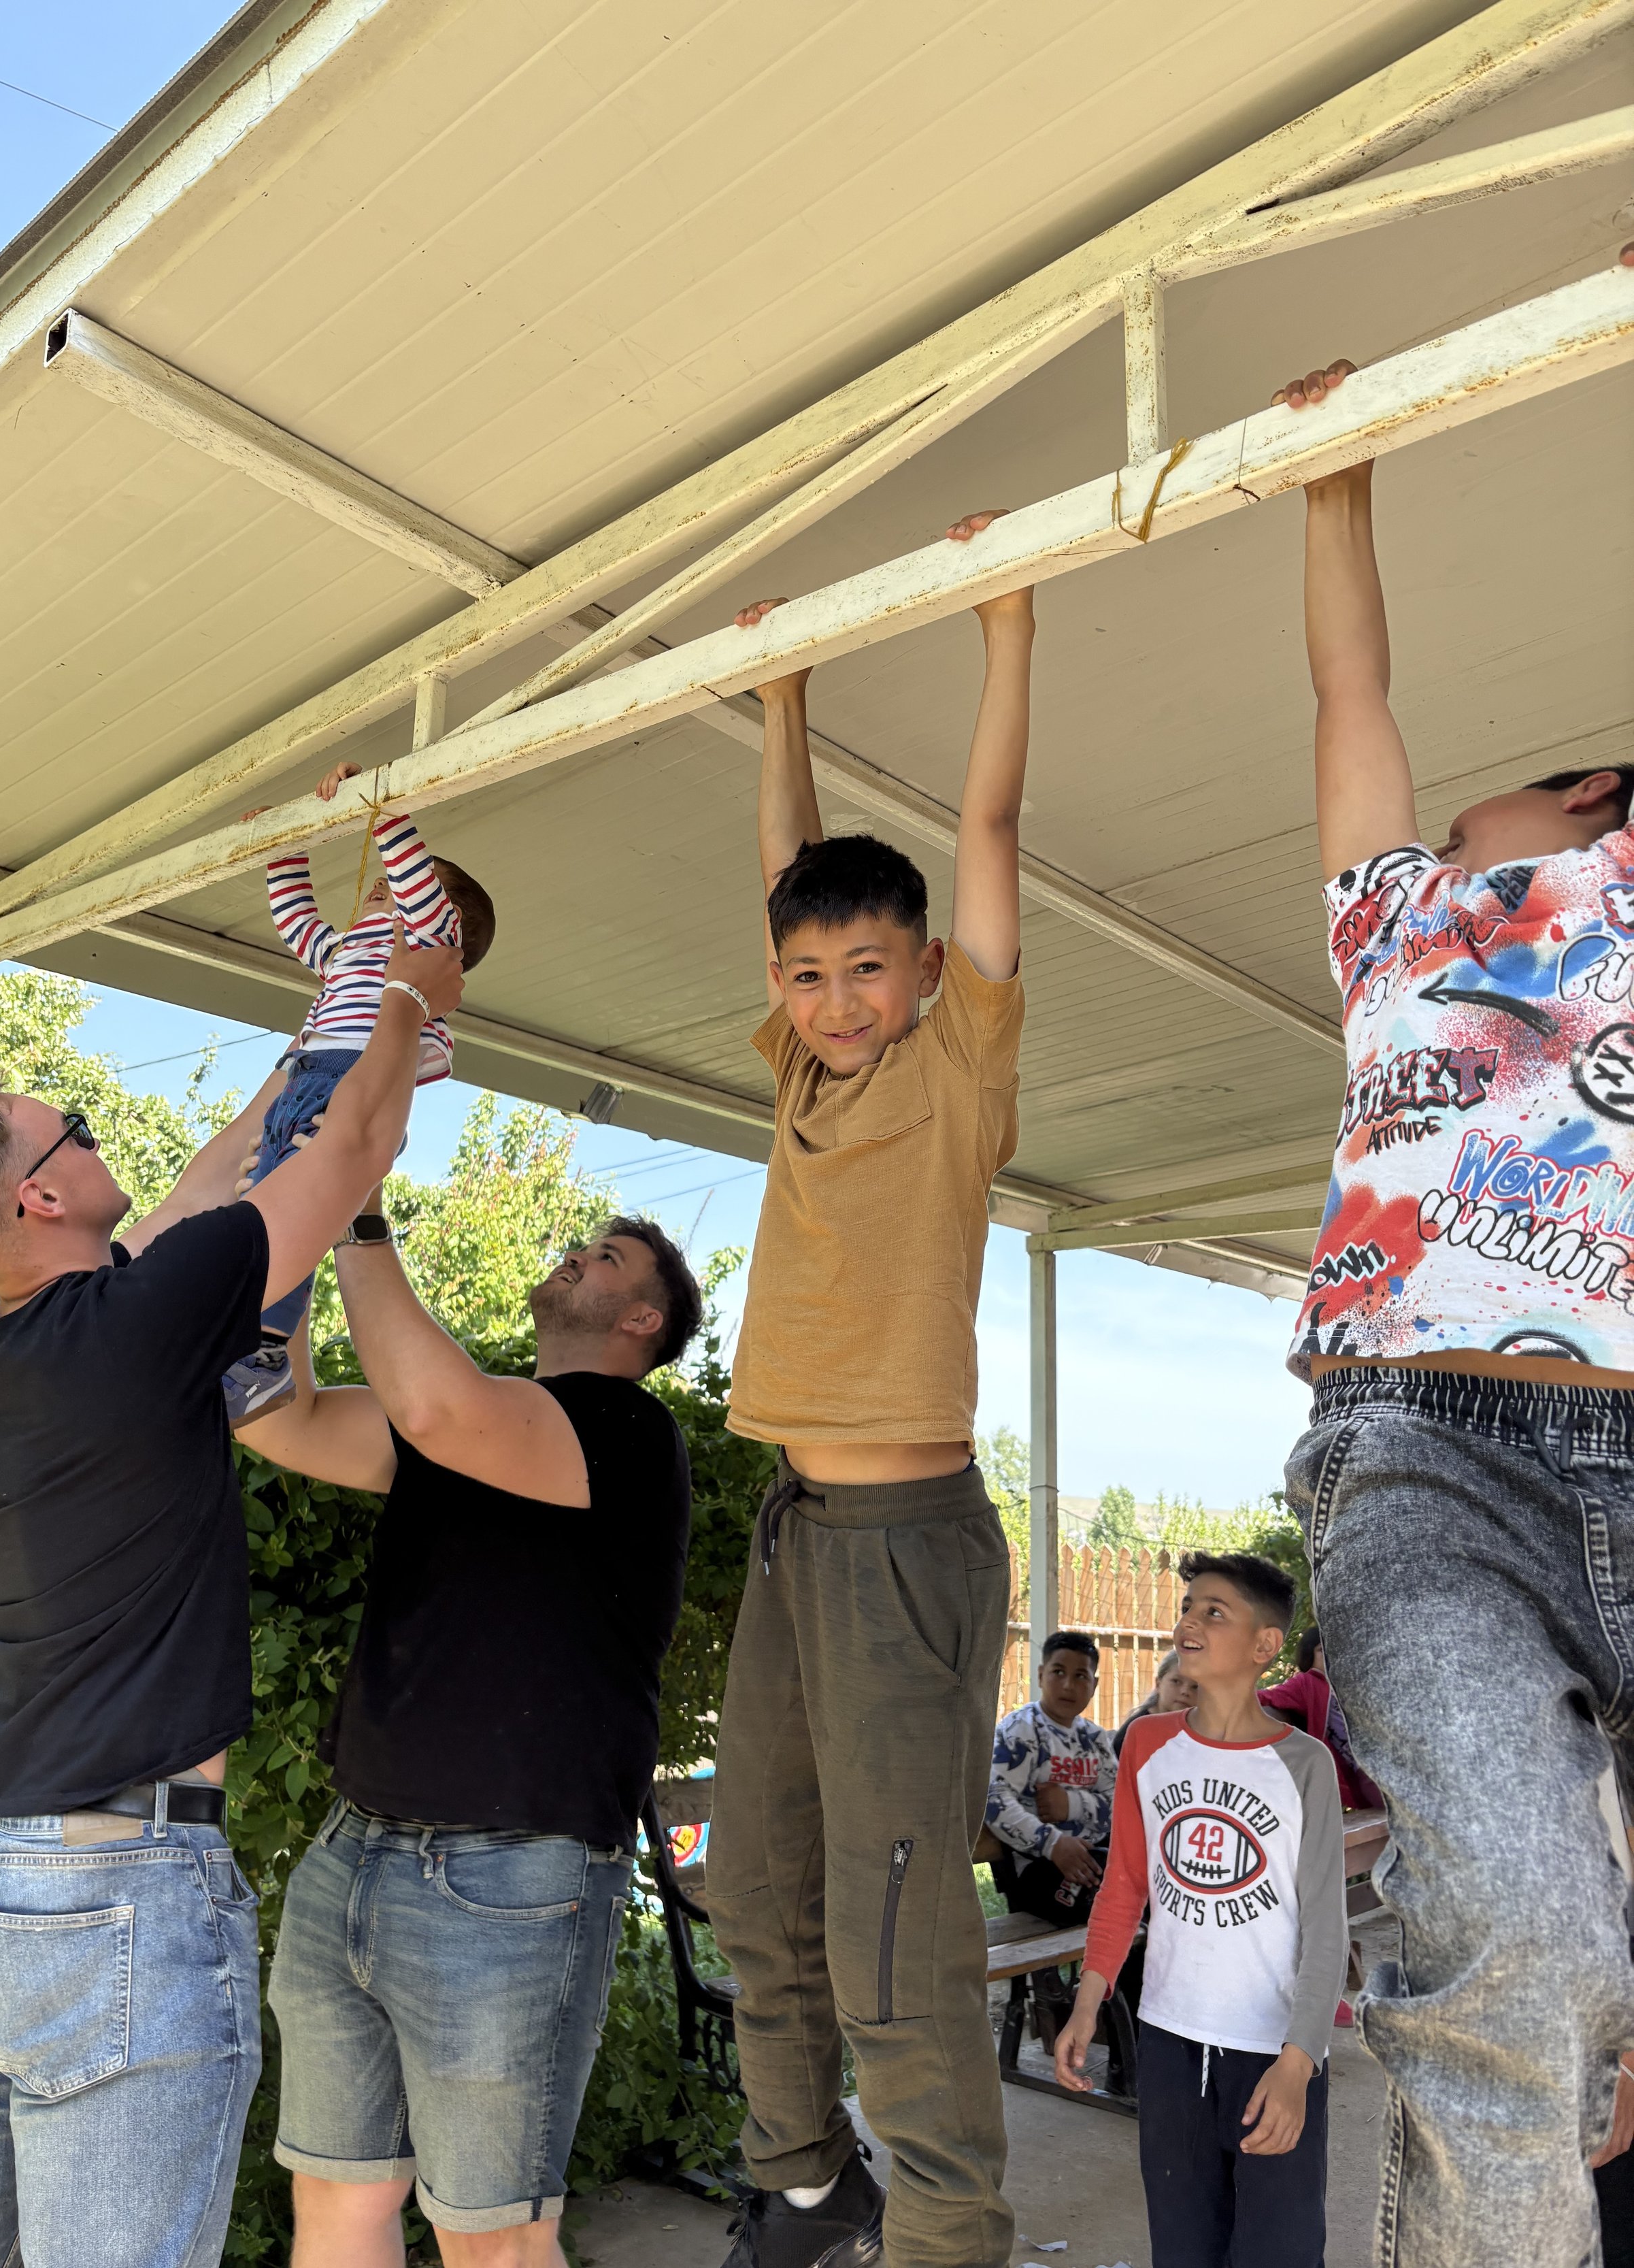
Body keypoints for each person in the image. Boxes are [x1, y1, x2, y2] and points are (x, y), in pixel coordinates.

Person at [0, 931, 463, 2268]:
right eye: (76, 1132)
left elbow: (188, 1204)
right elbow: (349, 1154)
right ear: (43, 1203)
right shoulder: (134, 1320)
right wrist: (408, 997)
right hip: (116, 1893)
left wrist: (302, 1045)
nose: (99, 1137)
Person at [1277, 295, 1634, 2267]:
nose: (1456, 799)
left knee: (1565, 1966)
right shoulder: (1395, 916)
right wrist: (1335, 482)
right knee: (1515, 1925)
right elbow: (1351, 703)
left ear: (1592, 800)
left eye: (1520, 776)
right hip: (1427, 1455)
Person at [704, 512, 1035, 2268]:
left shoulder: (955, 1066)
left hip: (905, 1536)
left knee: (895, 1927)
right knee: (753, 1880)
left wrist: (1003, 621)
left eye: (865, 970)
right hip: (792, 1527)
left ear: (920, 975)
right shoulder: (797, 1071)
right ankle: (806, 2178)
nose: (836, 999)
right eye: (809, 974)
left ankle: (950, 2234)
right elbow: (790, 858)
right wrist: (780, 693)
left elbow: (984, 832)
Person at [238, 1206, 699, 2266]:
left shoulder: (631, 1434)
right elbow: (276, 1416)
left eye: (611, 1258)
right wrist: (293, 1237)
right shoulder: (468, 1417)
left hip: (511, 1880)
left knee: (493, 2238)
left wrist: (355, 1209)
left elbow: (441, 1408)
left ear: (642, 1318)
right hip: (352, 1854)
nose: (579, 1251)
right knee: (337, 2198)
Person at [1054, 1553, 1347, 2268]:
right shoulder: (1148, 1747)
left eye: (1214, 1611)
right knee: (1183, 2245)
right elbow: (1124, 1886)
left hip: (1272, 2051)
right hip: (1170, 2045)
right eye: (1188, 1606)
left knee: (1276, 2250)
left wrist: (1299, 2061)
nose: (1189, 1621)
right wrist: (1088, 2004)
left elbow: (1325, 1928)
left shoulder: (1305, 1765)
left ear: (1264, 1646)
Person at [224, 759, 495, 1424]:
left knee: (294, 1210)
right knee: (270, 1204)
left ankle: (258, 1355)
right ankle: (250, 1345)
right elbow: (296, 923)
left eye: (393, 888)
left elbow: (413, 881)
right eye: (378, 888)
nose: (379, 888)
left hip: (352, 1077)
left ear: (445, 919)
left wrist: (383, 808)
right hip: (306, 1078)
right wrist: (284, 850)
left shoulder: (425, 941)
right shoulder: (348, 950)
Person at [986, 1630, 1118, 1928]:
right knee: (1119, 1911)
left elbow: (1120, 1802)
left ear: (1094, 1685)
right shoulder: (1021, 1731)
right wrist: (1053, 1844)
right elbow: (994, 1801)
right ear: (1041, 1675)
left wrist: (1071, 1804)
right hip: (1037, 1868)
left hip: (1093, 1861)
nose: (1068, 1685)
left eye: (1081, 1676)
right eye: (1058, 1672)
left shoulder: (1094, 1739)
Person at [1260, 1626, 1380, 1813]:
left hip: (1378, 1756)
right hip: (1360, 1767)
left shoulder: (1351, 1682)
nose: (1329, 1655)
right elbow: (1268, 1697)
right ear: (1309, 1655)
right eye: (1321, 1650)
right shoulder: (1306, 1683)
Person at [1112, 1647, 1199, 1760]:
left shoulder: (1200, 1732)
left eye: (1195, 1687)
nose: (1185, 1691)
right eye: (1176, 1681)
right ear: (1158, 1684)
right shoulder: (1138, 1730)